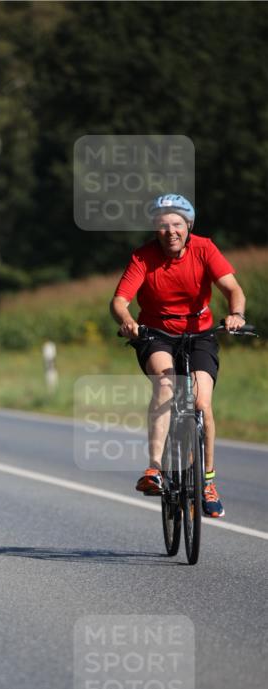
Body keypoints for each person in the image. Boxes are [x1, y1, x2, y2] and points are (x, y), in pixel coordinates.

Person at [110, 193, 247, 518]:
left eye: (177, 224)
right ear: (155, 229)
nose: (170, 231)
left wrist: (236, 314)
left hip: (200, 334)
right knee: (166, 385)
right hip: (155, 334)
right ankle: (155, 469)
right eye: (163, 225)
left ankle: (208, 482)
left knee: (201, 402)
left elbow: (233, 289)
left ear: (188, 226)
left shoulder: (205, 249)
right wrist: (127, 321)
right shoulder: (143, 257)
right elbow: (119, 301)